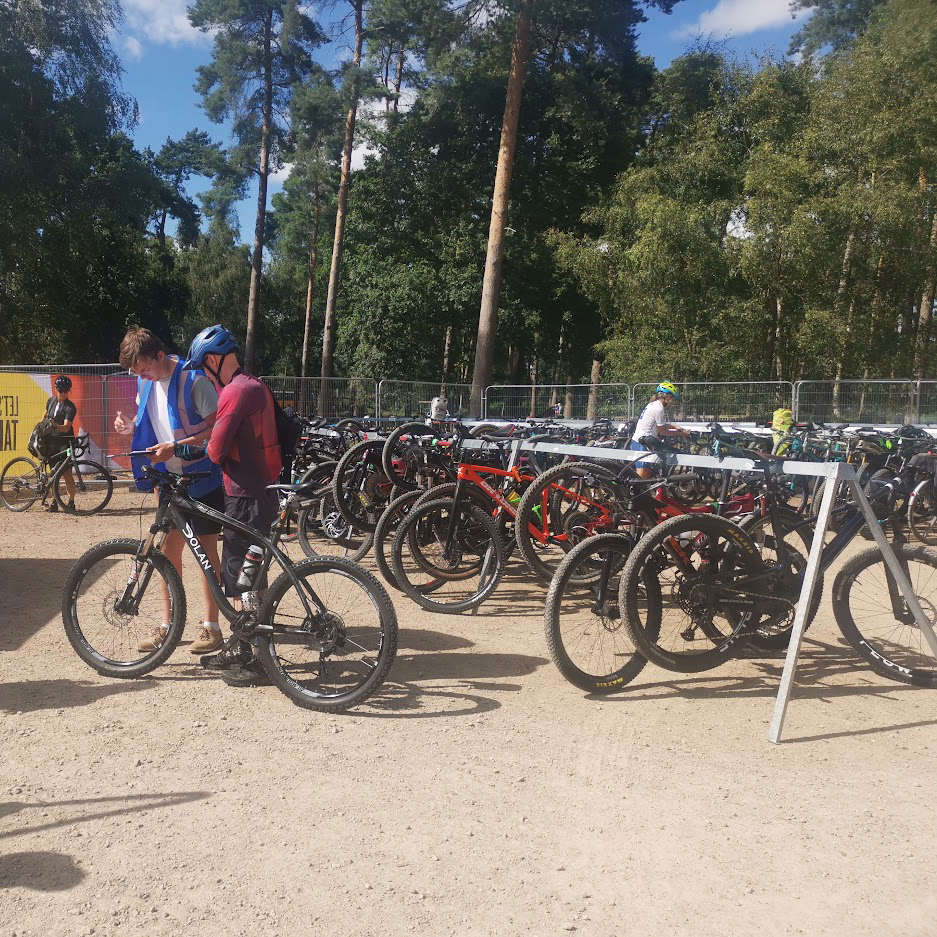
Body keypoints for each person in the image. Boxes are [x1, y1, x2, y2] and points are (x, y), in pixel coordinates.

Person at [179, 325, 282, 687]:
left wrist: (184, 450)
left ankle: (260, 659)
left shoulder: (234, 392)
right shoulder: (255, 385)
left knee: (243, 577)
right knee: (252, 574)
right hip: (261, 492)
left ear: (212, 360)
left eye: (203, 369)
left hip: (244, 496)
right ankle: (244, 645)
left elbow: (216, 449)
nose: (205, 377)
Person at [113, 326, 225, 655]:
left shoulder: (195, 381)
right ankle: (168, 626)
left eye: (144, 370)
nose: (142, 377)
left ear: (160, 355)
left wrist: (176, 447)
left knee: (206, 554)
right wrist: (129, 426)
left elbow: (218, 429)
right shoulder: (145, 381)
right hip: (168, 480)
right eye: (137, 373)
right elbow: (151, 420)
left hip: (202, 477)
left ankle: (212, 627)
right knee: (166, 554)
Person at [630, 381, 689, 480]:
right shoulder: (658, 408)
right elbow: (662, 431)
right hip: (642, 443)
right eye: (672, 398)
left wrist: (675, 427)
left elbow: (660, 425)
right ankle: (631, 490)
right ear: (667, 396)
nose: (672, 402)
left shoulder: (652, 404)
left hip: (643, 440)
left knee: (648, 473)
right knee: (641, 475)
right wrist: (681, 434)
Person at [46, 375, 77, 513]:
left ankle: (71, 502)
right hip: (52, 441)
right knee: (53, 474)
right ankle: (54, 501)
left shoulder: (70, 407)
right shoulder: (51, 401)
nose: (64, 393)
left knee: (67, 473)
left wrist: (54, 425)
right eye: (61, 391)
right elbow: (45, 415)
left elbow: (65, 427)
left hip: (65, 442)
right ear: (56, 389)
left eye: (66, 391)